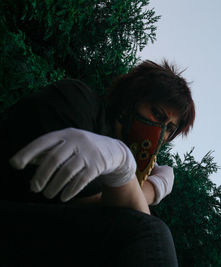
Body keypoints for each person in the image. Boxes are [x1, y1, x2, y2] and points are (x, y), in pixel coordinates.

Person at [0, 59, 195, 266]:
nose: (160, 131)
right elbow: (111, 215)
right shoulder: (78, 101)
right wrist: (151, 188)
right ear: (132, 97)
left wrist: (147, 183)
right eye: (156, 113)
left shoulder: (119, 156)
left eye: (170, 129)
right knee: (154, 232)